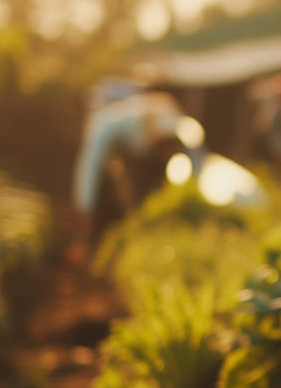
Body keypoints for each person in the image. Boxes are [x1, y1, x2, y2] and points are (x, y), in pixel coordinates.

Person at [68, 79, 203, 262]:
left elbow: (196, 158)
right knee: (120, 197)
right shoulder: (107, 123)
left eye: (172, 145)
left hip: (145, 163)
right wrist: (84, 208)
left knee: (148, 197)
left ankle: (140, 235)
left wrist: (193, 194)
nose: (169, 151)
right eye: (166, 146)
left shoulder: (172, 119)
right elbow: (89, 166)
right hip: (121, 159)